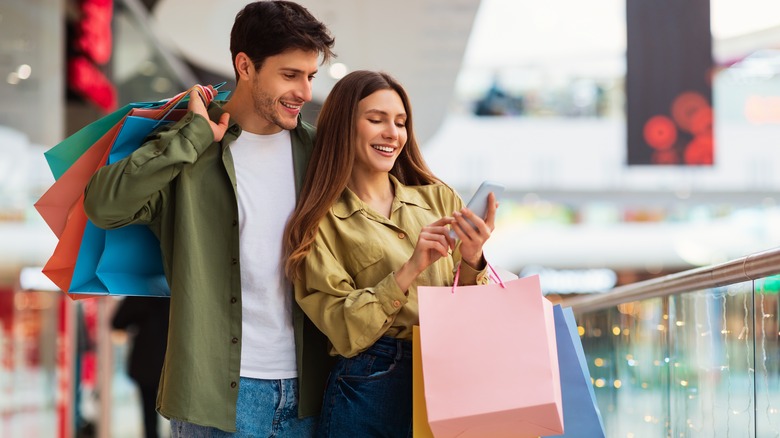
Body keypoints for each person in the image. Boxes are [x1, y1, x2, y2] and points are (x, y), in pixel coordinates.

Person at [83, 1, 335, 436]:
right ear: (245, 66)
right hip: (216, 398)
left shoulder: (318, 154)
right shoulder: (188, 144)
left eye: (310, 76)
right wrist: (193, 137)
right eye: (290, 75)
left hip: (309, 394)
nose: (306, 93)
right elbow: (104, 205)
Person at [283, 70, 498, 437]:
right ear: (343, 127)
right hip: (371, 382)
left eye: (400, 122)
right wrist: (410, 268)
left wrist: (473, 258)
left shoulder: (438, 199)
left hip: (450, 372)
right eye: (376, 119)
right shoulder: (318, 223)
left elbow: (471, 313)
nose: (392, 133)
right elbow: (342, 327)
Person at [111, 297, 170, 438]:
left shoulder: (141, 291)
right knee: (177, 416)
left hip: (146, 361)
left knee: (148, 415)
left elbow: (117, 322)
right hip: (172, 361)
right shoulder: (179, 291)